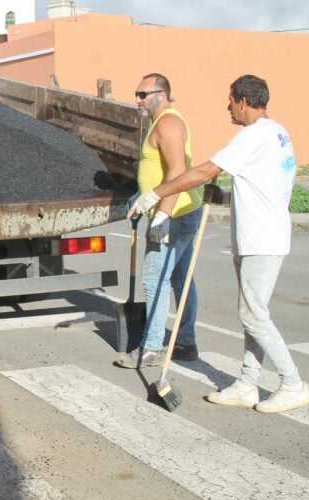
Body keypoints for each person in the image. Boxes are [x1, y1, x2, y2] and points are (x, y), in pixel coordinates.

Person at [129, 74, 309, 413]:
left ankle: (293, 382)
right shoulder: (277, 131)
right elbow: (261, 181)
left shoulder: (251, 136)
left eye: (231, 101)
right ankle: (246, 384)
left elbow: (202, 171)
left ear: (243, 101)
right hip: (263, 235)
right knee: (252, 314)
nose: (228, 106)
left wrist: (156, 193)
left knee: (254, 315)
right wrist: (223, 195)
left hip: (261, 239)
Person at [116, 73, 203, 369]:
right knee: (179, 277)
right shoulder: (160, 121)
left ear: (162, 94)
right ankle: (186, 342)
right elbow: (160, 168)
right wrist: (143, 195)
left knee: (155, 278)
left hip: (175, 214)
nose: (137, 99)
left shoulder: (169, 123)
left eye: (143, 94)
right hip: (180, 209)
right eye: (137, 93)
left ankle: (151, 347)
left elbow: (177, 170)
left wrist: (162, 214)